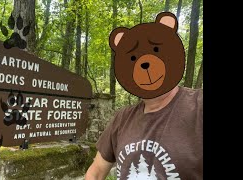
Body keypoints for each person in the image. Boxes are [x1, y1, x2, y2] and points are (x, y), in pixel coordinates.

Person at [85, 12, 203, 180]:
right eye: (134, 57)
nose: (145, 62)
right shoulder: (122, 119)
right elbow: (95, 172)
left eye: (155, 50)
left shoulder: (198, 106)